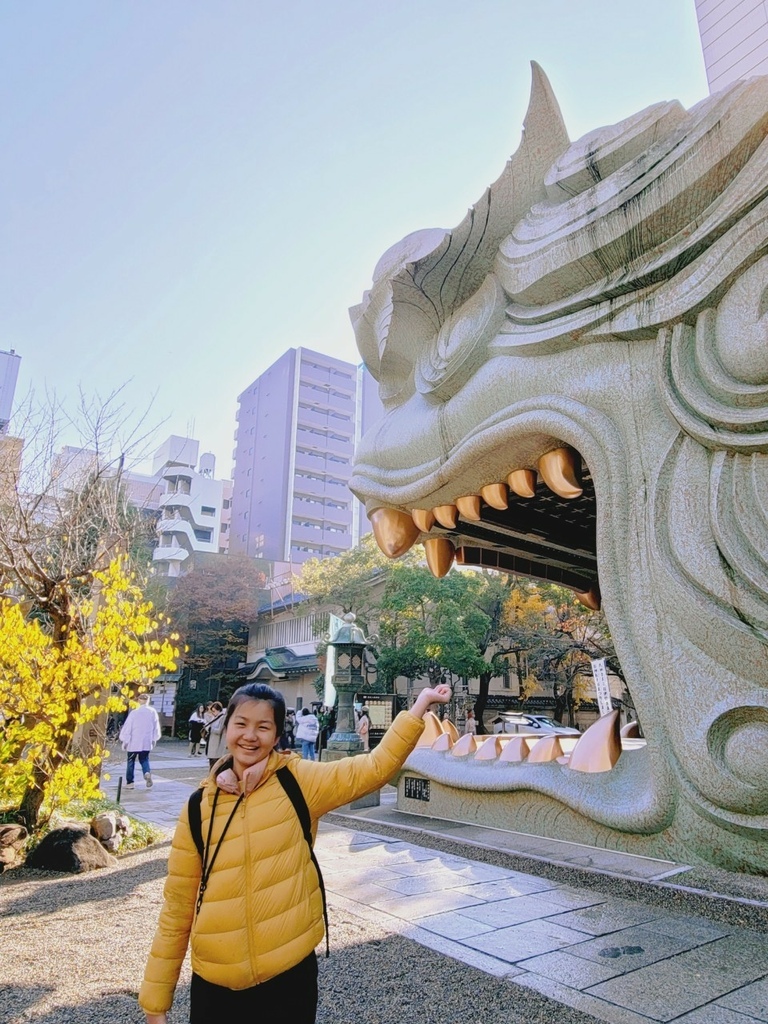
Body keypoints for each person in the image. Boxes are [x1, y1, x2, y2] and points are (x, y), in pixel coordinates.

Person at [138, 680, 452, 1024]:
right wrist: (156, 1001)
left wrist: (420, 705)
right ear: (227, 727)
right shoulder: (200, 806)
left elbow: (373, 769)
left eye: (263, 726)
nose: (250, 736)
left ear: (276, 735)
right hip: (215, 982)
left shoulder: (298, 782)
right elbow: (177, 907)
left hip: (286, 978)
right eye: (241, 724)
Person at [119, 692, 161, 790]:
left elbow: (128, 727)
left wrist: (125, 740)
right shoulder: (152, 711)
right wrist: (154, 738)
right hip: (146, 740)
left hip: (134, 741)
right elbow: (156, 727)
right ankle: (146, 772)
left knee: (131, 761)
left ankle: (130, 782)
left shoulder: (134, 712)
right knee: (144, 759)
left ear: (139, 700)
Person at [203, 701, 227, 769]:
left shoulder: (222, 717)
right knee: (211, 762)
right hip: (211, 742)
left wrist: (210, 728)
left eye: (214, 711)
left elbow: (219, 730)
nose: (213, 713)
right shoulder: (214, 717)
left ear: (218, 710)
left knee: (215, 764)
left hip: (217, 744)